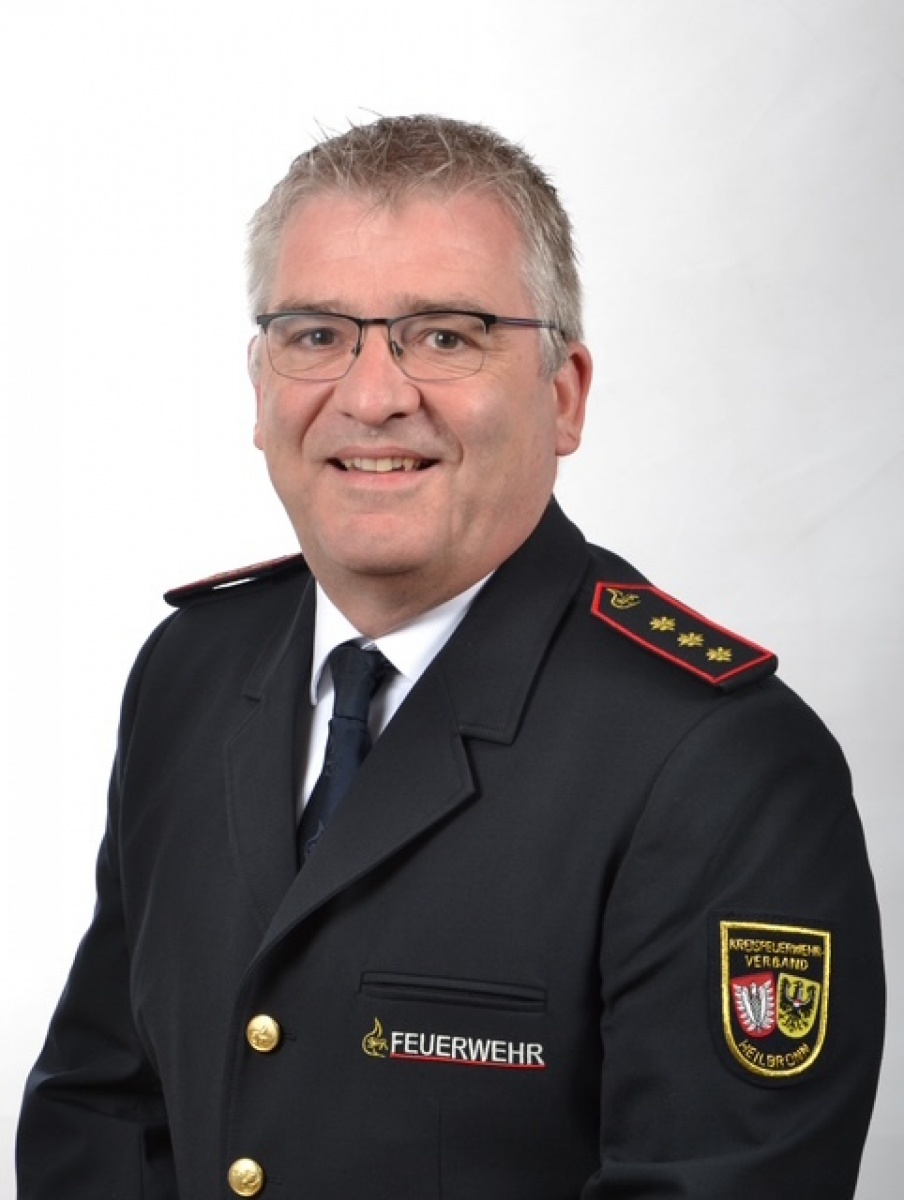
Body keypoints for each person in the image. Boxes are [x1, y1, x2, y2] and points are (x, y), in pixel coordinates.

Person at [17, 115, 884, 1199]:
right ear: (260, 386)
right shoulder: (190, 672)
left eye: (444, 337)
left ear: (563, 396)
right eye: (317, 334)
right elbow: (102, 1109)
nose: (372, 395)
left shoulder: (719, 764)